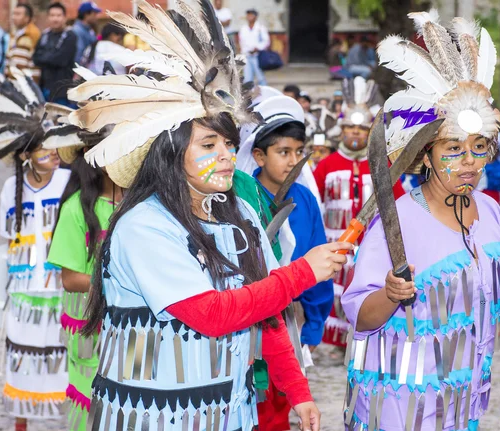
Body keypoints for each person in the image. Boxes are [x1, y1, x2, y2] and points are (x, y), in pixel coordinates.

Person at [67, 3, 349, 428]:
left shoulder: (241, 218)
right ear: (171, 153)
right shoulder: (142, 226)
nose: (226, 156)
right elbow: (211, 313)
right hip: (151, 417)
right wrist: (303, 274)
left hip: (227, 414)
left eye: (229, 144)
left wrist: (298, 391)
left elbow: (266, 312)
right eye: (209, 144)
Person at [342, 13, 500, 430]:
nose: (469, 162)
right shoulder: (399, 221)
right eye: (453, 148)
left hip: (462, 402)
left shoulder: (491, 212)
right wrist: (390, 294)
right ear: (425, 154)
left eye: (480, 147)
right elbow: (360, 316)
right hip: (399, 403)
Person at [240, 95, 334, 431]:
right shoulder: (240, 197)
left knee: (283, 398)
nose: (293, 161)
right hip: (249, 313)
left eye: (298, 152)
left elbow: (318, 256)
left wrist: (313, 321)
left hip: (290, 315)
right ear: (259, 156)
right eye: (283, 152)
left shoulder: (305, 198)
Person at [0, 76, 70, 431]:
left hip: (59, 287)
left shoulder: (67, 182)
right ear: (25, 154)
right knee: (21, 357)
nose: (51, 152)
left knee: (62, 360)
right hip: (23, 290)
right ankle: (20, 423)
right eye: (43, 148)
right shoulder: (11, 187)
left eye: (54, 146)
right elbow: (10, 241)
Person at [313, 76, 405, 348]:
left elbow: (399, 203)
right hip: (335, 240)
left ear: (370, 132)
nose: (355, 133)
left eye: (361, 129)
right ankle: (335, 340)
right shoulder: (326, 165)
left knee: (367, 286)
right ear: (341, 130)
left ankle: (363, 337)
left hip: (372, 244)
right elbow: (314, 202)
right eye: (350, 128)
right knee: (335, 288)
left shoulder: (383, 165)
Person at [44, 128, 122, 431]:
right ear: (101, 161)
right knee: (93, 403)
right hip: (92, 326)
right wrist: (121, 282)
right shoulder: (76, 208)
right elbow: (70, 279)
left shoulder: (143, 207)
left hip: (134, 326)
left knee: (134, 394)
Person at [33, 2, 77, 105]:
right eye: (52, 15)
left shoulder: (70, 36)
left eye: (58, 15)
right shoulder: (45, 35)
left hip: (62, 90)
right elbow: (35, 58)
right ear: (48, 17)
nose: (55, 19)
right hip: (44, 88)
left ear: (65, 17)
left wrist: (45, 57)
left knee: (62, 118)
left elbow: (61, 60)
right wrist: (52, 56)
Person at [5, 3, 41, 83]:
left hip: (24, 84)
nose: (14, 17)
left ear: (27, 18)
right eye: (13, 14)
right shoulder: (17, 34)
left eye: (18, 14)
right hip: (16, 81)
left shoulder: (29, 35)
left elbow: (19, 66)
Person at [239, 8, 269, 85]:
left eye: (251, 15)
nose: (249, 17)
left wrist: (258, 48)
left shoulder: (260, 28)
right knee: (247, 78)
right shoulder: (243, 28)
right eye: (248, 15)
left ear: (255, 17)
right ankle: (249, 95)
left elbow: (266, 41)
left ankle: (264, 93)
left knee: (260, 77)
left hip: (257, 56)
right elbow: (241, 42)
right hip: (247, 55)